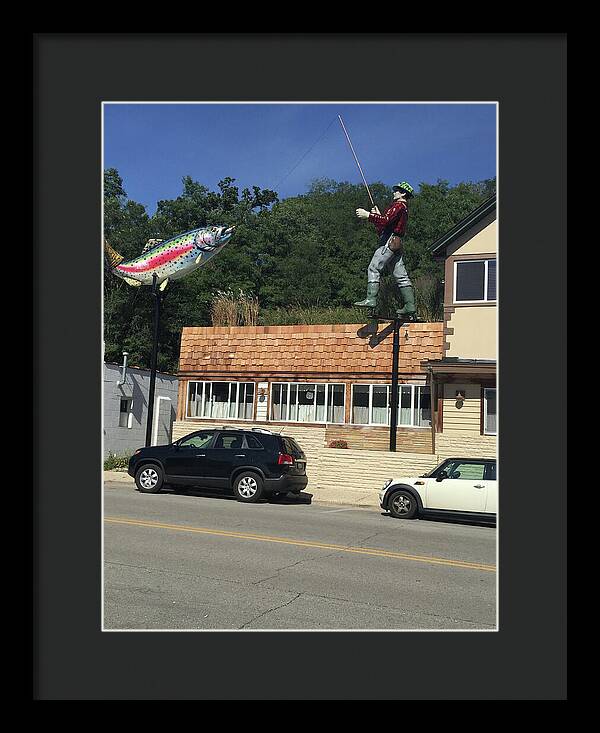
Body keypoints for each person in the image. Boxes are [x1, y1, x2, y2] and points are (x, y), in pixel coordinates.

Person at [354, 181, 416, 318]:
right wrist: (377, 216)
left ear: (403, 193)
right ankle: (410, 306)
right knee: (402, 276)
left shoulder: (398, 205)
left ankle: (371, 299)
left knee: (373, 268)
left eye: (397, 190)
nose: (394, 192)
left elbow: (386, 221)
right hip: (397, 243)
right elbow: (384, 225)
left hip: (389, 242)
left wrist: (368, 215)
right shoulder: (404, 208)